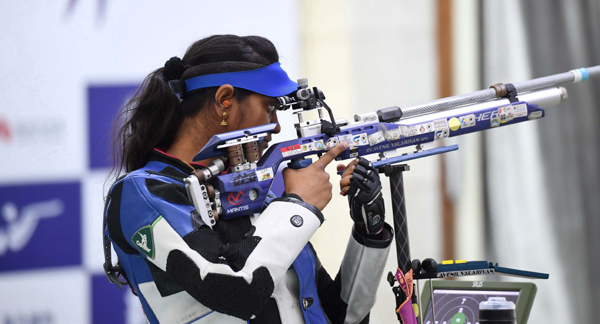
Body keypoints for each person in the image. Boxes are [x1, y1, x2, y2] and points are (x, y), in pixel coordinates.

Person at [103, 34, 393, 324]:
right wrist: (299, 205)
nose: (277, 126)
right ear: (224, 100)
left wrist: (369, 231)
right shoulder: (142, 193)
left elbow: (341, 318)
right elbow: (235, 289)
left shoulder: (260, 198)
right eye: (270, 107)